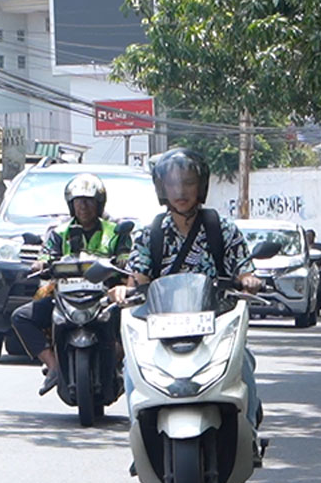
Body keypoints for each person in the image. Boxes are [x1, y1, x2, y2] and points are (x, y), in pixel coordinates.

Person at [107, 147, 263, 425]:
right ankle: (140, 435)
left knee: (244, 365)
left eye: (188, 182)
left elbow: (244, 270)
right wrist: (124, 291)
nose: (181, 190)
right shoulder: (150, 233)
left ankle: (248, 430)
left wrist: (248, 279)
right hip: (161, 328)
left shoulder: (221, 228)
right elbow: (138, 280)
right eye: (173, 183)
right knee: (131, 370)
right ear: (162, 188)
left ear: (200, 187)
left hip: (214, 327)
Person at [12, 173, 131, 395]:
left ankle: (121, 363)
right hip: (65, 295)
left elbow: (126, 253)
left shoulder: (115, 231)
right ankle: (54, 365)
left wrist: (124, 258)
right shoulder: (58, 232)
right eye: (78, 201)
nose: (83, 206)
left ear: (99, 204)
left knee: (133, 323)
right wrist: (40, 263)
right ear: (71, 204)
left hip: (105, 296)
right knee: (21, 316)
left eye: (88, 201)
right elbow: (46, 255)